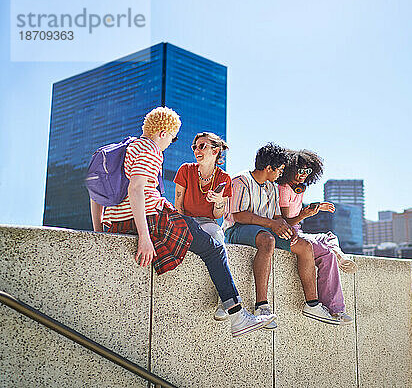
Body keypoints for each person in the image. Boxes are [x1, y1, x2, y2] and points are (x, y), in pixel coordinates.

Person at [91, 107, 275, 337]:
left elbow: (95, 190)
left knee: (210, 241)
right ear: (162, 132)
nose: (171, 142)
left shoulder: (126, 148)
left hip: (119, 223)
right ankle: (237, 316)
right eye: (173, 137)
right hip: (153, 217)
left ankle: (234, 312)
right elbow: (137, 188)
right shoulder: (150, 149)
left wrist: (99, 231)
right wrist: (145, 238)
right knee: (214, 249)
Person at [223, 143, 342, 327]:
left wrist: (286, 230)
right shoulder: (241, 180)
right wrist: (272, 224)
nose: (281, 174)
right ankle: (261, 306)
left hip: (263, 229)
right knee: (267, 240)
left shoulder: (271, 187)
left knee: (303, 246)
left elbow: (278, 217)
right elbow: (239, 215)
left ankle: (312, 304)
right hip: (237, 229)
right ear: (269, 168)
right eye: (280, 169)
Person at [276, 149, 357, 325]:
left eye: (307, 172)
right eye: (300, 171)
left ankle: (340, 255)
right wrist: (305, 214)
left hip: (299, 231)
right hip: (289, 232)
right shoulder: (283, 189)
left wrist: (315, 208)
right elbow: (286, 221)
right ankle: (336, 309)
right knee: (326, 254)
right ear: (290, 169)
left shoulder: (297, 189)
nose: (303, 175)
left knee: (329, 236)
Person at [173, 132, 232, 321]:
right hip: (186, 220)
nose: (196, 150)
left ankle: (225, 299)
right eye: (195, 147)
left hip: (208, 222)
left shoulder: (224, 178)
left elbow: (217, 215)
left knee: (217, 235)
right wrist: (181, 226)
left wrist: (219, 201)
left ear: (215, 151)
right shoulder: (185, 170)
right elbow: (179, 203)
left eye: (202, 146)